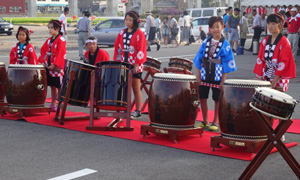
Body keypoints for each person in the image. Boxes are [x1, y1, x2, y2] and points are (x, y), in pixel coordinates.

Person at [193, 16, 237, 131]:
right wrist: (198, 76)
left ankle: (215, 121)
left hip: (217, 75)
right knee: (202, 97)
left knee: (217, 99)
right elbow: (199, 58)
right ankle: (205, 120)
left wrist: (223, 80)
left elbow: (227, 63)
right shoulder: (206, 41)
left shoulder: (225, 44)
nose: (215, 29)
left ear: (223, 27)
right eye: (212, 27)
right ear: (209, 29)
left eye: (218, 27)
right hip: (204, 73)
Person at [113, 11, 147, 119]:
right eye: (126, 19)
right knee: (124, 87)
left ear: (135, 21)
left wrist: (137, 64)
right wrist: (117, 61)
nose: (127, 22)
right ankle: (124, 109)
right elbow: (117, 47)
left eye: (130, 20)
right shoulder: (121, 33)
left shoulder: (139, 34)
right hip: (124, 63)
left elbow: (141, 49)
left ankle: (138, 110)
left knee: (136, 88)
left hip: (135, 63)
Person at [254, 13, 296, 92]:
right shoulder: (264, 41)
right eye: (268, 23)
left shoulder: (284, 41)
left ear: (280, 25)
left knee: (276, 101)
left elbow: (284, 61)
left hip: (279, 76)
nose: (270, 26)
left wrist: (275, 79)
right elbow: (260, 59)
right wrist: (259, 76)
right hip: (265, 74)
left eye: (273, 24)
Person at [38, 20, 66, 112]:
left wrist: (54, 64)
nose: (49, 30)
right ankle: (53, 104)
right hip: (49, 66)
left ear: (57, 29)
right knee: (53, 86)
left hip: (57, 67)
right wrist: (43, 62)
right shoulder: (49, 40)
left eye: (51, 28)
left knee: (59, 86)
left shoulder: (61, 39)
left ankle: (60, 104)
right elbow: (43, 50)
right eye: (48, 28)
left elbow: (60, 53)